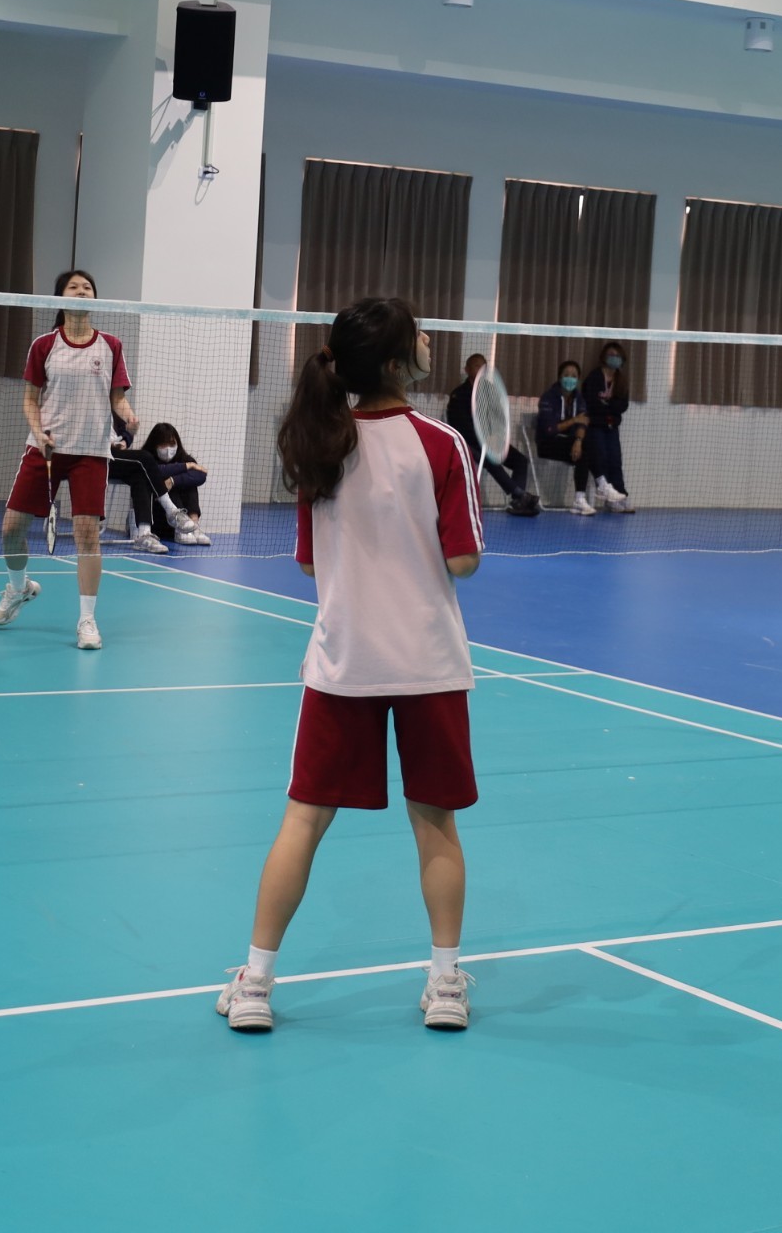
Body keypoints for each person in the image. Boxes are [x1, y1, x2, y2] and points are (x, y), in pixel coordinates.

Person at [217, 297, 484, 1034]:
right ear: (397, 363)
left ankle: (255, 983)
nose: (429, 341)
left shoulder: (320, 442)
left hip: (344, 665)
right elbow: (463, 559)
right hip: (429, 665)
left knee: (303, 820)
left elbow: (309, 564)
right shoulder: (441, 444)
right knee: (436, 825)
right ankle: (445, 982)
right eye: (419, 335)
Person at [0, 270, 164, 650]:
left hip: (91, 453)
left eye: (88, 287)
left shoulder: (111, 345)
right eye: (74, 287)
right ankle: (19, 588)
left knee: (87, 535)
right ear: (60, 297)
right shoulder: (44, 345)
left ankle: (87, 620)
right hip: (46, 448)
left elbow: (116, 397)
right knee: (11, 529)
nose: (82, 291)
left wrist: (128, 415)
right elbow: (30, 399)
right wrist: (39, 432)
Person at [445, 353, 538, 516]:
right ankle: (520, 494)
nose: (481, 369)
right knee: (489, 460)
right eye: (476, 366)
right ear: (467, 370)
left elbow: (499, 418)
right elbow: (461, 426)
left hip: (491, 440)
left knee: (520, 461)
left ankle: (518, 503)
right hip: (468, 443)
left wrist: (495, 436)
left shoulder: (490, 390)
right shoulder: (458, 394)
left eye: (483, 366)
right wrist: (484, 438)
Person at [536, 358, 599, 515]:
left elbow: (583, 423)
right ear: (559, 377)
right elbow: (549, 430)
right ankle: (600, 483)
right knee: (587, 449)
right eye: (566, 375)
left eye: (574, 376)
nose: (570, 378)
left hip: (570, 444)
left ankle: (580, 498)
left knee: (586, 447)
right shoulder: (548, 397)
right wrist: (574, 420)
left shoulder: (580, 398)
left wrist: (578, 441)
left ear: (578, 379)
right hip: (548, 445)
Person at [139, 422, 215, 547]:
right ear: (154, 445)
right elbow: (157, 471)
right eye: (163, 444)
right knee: (169, 488)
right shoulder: (146, 459)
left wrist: (173, 481)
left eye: (171, 444)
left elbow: (200, 475)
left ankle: (194, 526)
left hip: (183, 518)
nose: (168, 448)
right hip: (157, 519)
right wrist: (184, 468)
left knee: (188, 484)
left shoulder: (184, 458)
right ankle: (180, 528)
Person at [583, 340, 633, 513]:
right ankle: (608, 497)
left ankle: (621, 495)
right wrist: (607, 407)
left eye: (617, 356)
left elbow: (622, 405)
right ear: (604, 357)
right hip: (595, 426)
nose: (614, 358)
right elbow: (591, 402)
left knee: (615, 459)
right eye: (611, 355)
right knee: (602, 456)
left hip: (612, 426)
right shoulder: (594, 377)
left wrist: (607, 405)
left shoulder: (621, 380)